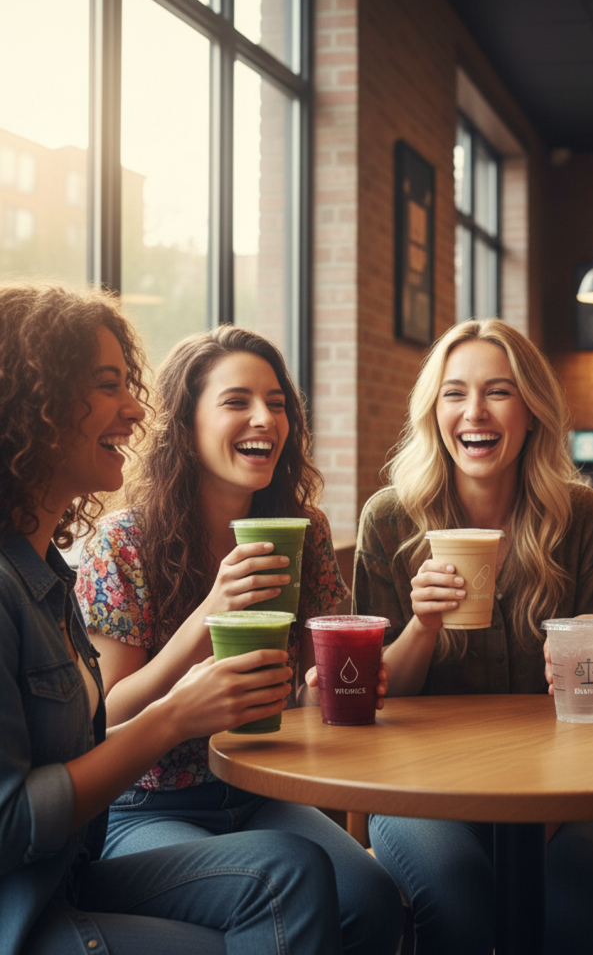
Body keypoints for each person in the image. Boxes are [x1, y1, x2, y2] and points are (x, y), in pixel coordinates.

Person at [0, 282, 344, 955]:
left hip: (87, 858)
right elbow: (17, 818)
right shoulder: (110, 547)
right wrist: (183, 699)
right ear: (28, 405)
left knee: (334, 885)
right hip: (84, 857)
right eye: (107, 385)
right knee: (287, 890)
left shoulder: (46, 575)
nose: (135, 408)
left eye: (277, 404)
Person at [74, 325, 403, 955]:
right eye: (236, 401)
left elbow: (307, 703)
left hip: (266, 789)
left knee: (371, 900)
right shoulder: (124, 542)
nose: (264, 418)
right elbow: (104, 715)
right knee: (280, 890)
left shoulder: (305, 529)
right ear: (184, 423)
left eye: (277, 403)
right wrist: (207, 614)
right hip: (149, 807)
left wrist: (334, 689)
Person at [336, 317, 593, 955]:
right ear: (434, 411)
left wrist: (580, 671)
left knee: (569, 911)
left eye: (500, 391)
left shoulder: (580, 517)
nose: (476, 411)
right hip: (420, 781)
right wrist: (423, 625)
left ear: (531, 410)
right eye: (454, 392)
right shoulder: (389, 520)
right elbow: (378, 697)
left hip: (562, 779)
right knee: (457, 897)